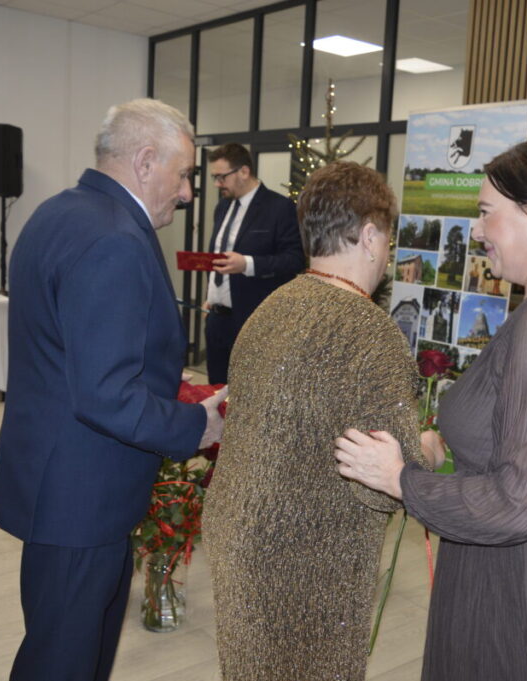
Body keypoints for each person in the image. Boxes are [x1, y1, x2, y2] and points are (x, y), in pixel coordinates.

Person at [335, 138, 527, 680]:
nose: (475, 232)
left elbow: (518, 501)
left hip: (517, 575)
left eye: (485, 214)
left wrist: (400, 479)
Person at [0, 98, 226, 681]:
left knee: (69, 647)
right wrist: (198, 426)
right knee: (63, 660)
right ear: (146, 161)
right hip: (81, 499)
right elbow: (104, 394)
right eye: (185, 173)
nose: (188, 191)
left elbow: (82, 359)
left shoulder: (58, 212)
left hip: (60, 481)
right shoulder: (115, 239)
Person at [202, 162, 435, 681]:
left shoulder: (269, 309)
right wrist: (429, 450)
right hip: (309, 566)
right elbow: (386, 485)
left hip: (240, 543)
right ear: (370, 236)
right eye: (389, 239)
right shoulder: (370, 334)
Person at [203, 143, 304, 384]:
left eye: (221, 177)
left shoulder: (279, 208)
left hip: (253, 322)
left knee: (247, 394)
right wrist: (213, 295)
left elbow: (294, 260)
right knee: (216, 394)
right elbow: (220, 257)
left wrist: (248, 264)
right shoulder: (222, 207)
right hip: (216, 320)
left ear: (244, 172)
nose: (217, 184)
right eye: (214, 177)